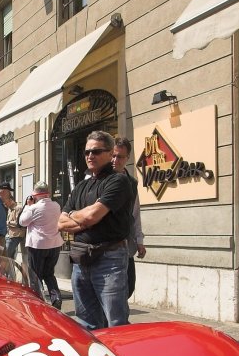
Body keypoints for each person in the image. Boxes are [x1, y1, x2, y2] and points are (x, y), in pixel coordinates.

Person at [58, 130, 132, 328]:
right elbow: (61, 223)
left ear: (110, 153)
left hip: (109, 259)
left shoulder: (118, 181)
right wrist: (85, 219)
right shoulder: (81, 186)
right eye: (87, 152)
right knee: (85, 322)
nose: (90, 156)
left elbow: (92, 216)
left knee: (115, 321)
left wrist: (81, 217)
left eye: (97, 151)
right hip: (80, 260)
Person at [19, 181, 63, 308]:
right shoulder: (56, 206)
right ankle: (56, 297)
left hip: (37, 245)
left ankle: (37, 302)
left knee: (35, 276)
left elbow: (22, 222)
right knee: (49, 274)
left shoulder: (33, 208)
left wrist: (27, 206)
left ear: (36, 195)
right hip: (54, 244)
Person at [111, 137, 146, 297]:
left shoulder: (131, 183)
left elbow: (135, 214)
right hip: (106, 246)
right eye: (113, 155)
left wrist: (139, 241)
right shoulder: (100, 178)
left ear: (127, 158)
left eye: (120, 157)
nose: (115, 160)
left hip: (125, 244)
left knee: (128, 286)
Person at [5, 194, 27, 262]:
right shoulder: (9, 209)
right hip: (11, 235)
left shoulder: (18, 208)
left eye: (5, 202)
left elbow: (18, 223)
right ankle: (10, 272)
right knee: (9, 258)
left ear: (11, 200)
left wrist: (7, 223)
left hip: (16, 235)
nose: (4, 204)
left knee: (6, 256)